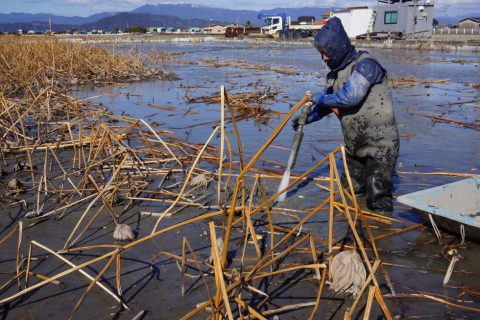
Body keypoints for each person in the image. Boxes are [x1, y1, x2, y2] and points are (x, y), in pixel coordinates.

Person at [293, 17, 399, 212]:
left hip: (380, 147)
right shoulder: (335, 75)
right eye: (321, 54)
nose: (323, 58)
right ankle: (351, 226)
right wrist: (306, 118)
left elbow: (349, 98)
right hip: (354, 147)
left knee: (377, 200)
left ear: (336, 48)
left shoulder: (366, 65)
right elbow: (327, 104)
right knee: (349, 193)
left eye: (325, 53)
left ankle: (380, 236)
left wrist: (318, 98)